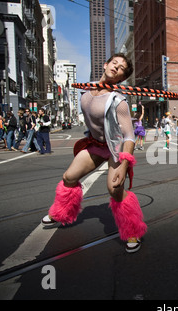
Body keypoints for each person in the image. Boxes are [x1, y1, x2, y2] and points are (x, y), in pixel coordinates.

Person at [41, 53, 147, 253]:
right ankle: (61, 212)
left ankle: (133, 230)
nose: (116, 67)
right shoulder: (85, 90)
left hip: (115, 148)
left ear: (122, 78)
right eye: (114, 63)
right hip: (95, 144)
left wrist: (124, 166)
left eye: (122, 68)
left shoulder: (119, 101)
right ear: (106, 65)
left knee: (115, 189)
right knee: (69, 177)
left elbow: (129, 137)